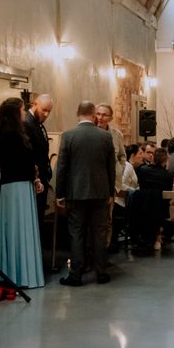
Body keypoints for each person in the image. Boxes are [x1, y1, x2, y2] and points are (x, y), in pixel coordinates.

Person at [56, 101, 116, 286]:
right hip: (100, 192)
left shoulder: (68, 136)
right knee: (99, 232)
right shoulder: (105, 137)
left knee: (77, 233)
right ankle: (101, 273)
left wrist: (60, 194)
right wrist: (110, 191)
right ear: (93, 114)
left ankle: (76, 275)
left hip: (76, 193)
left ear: (77, 113)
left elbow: (62, 168)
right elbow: (110, 167)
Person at [0, 97, 45, 288]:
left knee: (14, 228)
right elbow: (23, 162)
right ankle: (23, 274)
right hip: (19, 187)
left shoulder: (5, 134)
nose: (25, 113)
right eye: (22, 110)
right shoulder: (13, 136)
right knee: (21, 228)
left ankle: (13, 272)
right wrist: (35, 176)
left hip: (12, 186)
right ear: (15, 113)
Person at [96, 104, 126, 249]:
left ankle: (104, 251)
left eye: (104, 115)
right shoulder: (92, 133)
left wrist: (118, 173)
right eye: (98, 114)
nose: (100, 117)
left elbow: (122, 157)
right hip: (94, 183)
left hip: (110, 184)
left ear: (111, 117)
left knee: (107, 219)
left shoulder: (116, 135)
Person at [23, 94, 53, 225]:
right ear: (35, 104)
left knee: (39, 216)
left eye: (49, 111)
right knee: (34, 218)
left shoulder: (37, 122)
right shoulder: (27, 123)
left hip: (41, 178)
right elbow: (29, 154)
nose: (46, 114)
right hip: (33, 180)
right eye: (44, 110)